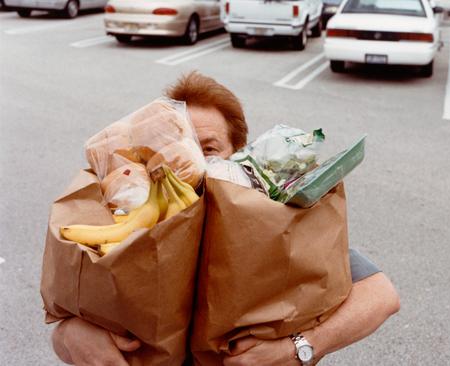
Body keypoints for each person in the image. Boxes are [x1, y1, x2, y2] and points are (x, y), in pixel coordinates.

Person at [51, 71, 400, 366]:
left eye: (208, 148)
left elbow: (380, 295)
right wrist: (70, 335)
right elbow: (67, 316)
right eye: (177, 144)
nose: (190, 160)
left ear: (238, 154)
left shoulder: (267, 217)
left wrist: (298, 348)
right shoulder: (122, 213)